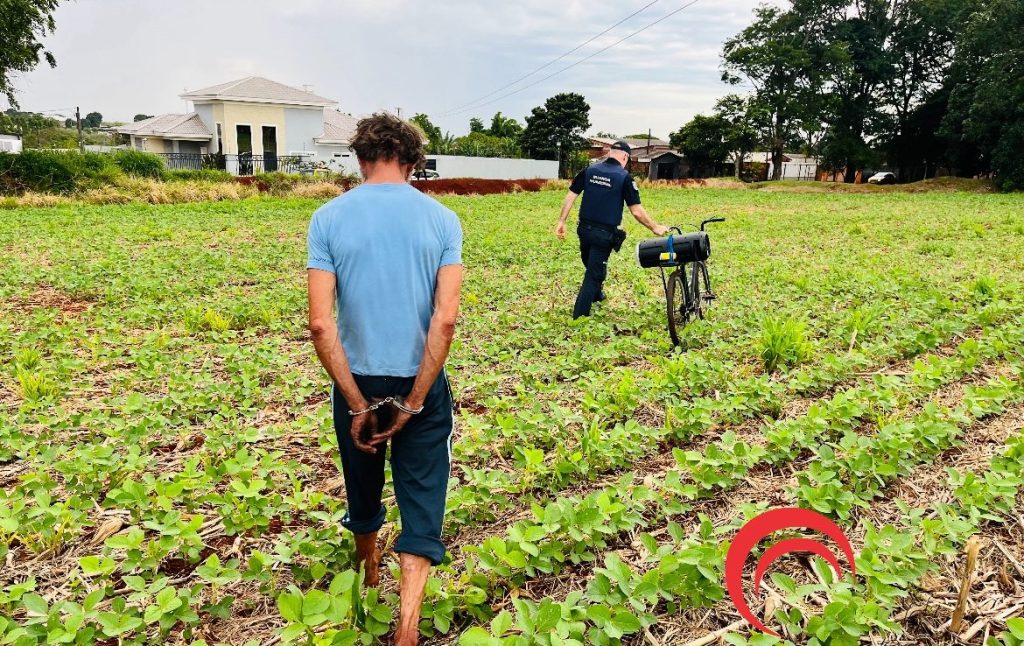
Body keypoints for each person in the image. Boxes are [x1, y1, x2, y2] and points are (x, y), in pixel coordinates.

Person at [306, 112, 463, 646]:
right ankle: (407, 630)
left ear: (359, 159)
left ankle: (369, 572)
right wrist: (416, 400)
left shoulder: (327, 218)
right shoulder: (443, 220)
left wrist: (356, 403)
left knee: (362, 480)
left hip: (358, 379)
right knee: (423, 494)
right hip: (420, 381)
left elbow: (321, 324)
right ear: (414, 162)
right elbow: (445, 319)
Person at [555, 140, 669, 319]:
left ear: (609, 153)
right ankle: (579, 317)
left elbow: (571, 196)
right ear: (625, 157)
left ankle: (597, 295)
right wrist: (655, 227)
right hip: (603, 234)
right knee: (593, 273)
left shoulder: (589, 171)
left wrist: (562, 221)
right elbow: (636, 211)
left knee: (591, 264)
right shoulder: (624, 177)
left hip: (584, 230)